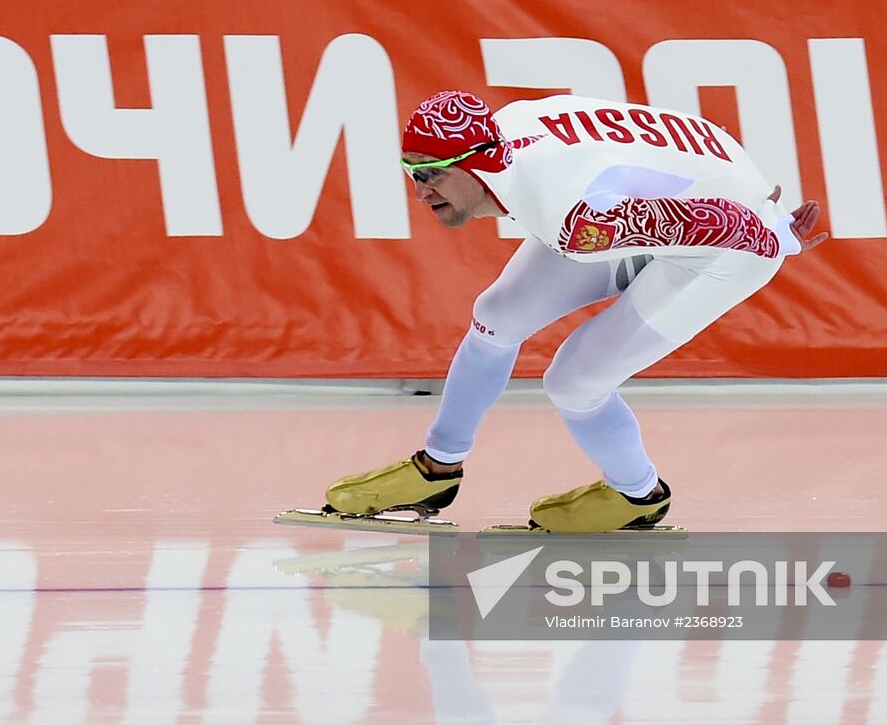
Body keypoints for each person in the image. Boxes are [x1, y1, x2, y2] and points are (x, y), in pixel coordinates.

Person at [323, 90, 828, 532]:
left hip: (725, 244)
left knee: (573, 381)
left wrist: (771, 233)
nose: (420, 191)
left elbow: (703, 222)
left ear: (477, 162)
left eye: (432, 174)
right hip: (651, 191)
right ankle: (436, 468)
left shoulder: (570, 212)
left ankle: (639, 495)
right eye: (411, 173)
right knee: (498, 314)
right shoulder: (511, 133)